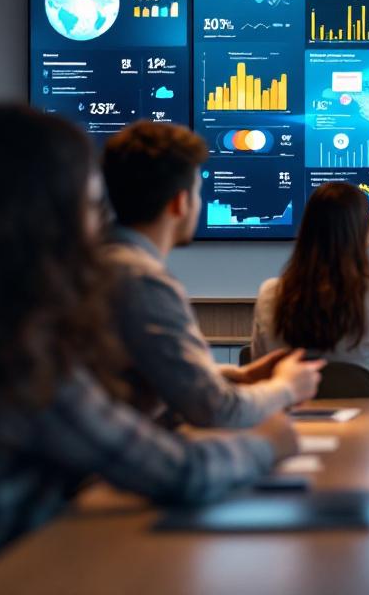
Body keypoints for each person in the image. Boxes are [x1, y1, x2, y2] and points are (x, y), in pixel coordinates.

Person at [0, 105, 298, 594]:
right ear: (49, 221)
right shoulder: (16, 352)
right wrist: (270, 443)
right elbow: (181, 472)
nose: (97, 226)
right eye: (89, 205)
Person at [101, 121, 323, 429]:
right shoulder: (144, 283)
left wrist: (240, 376)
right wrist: (286, 388)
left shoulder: (103, 262)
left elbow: (156, 373)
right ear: (180, 202)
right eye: (198, 192)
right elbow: (218, 410)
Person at [252, 182, 369, 393]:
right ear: (366, 233)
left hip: (291, 420)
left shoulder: (270, 293)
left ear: (306, 231)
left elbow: (258, 372)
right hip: (366, 424)